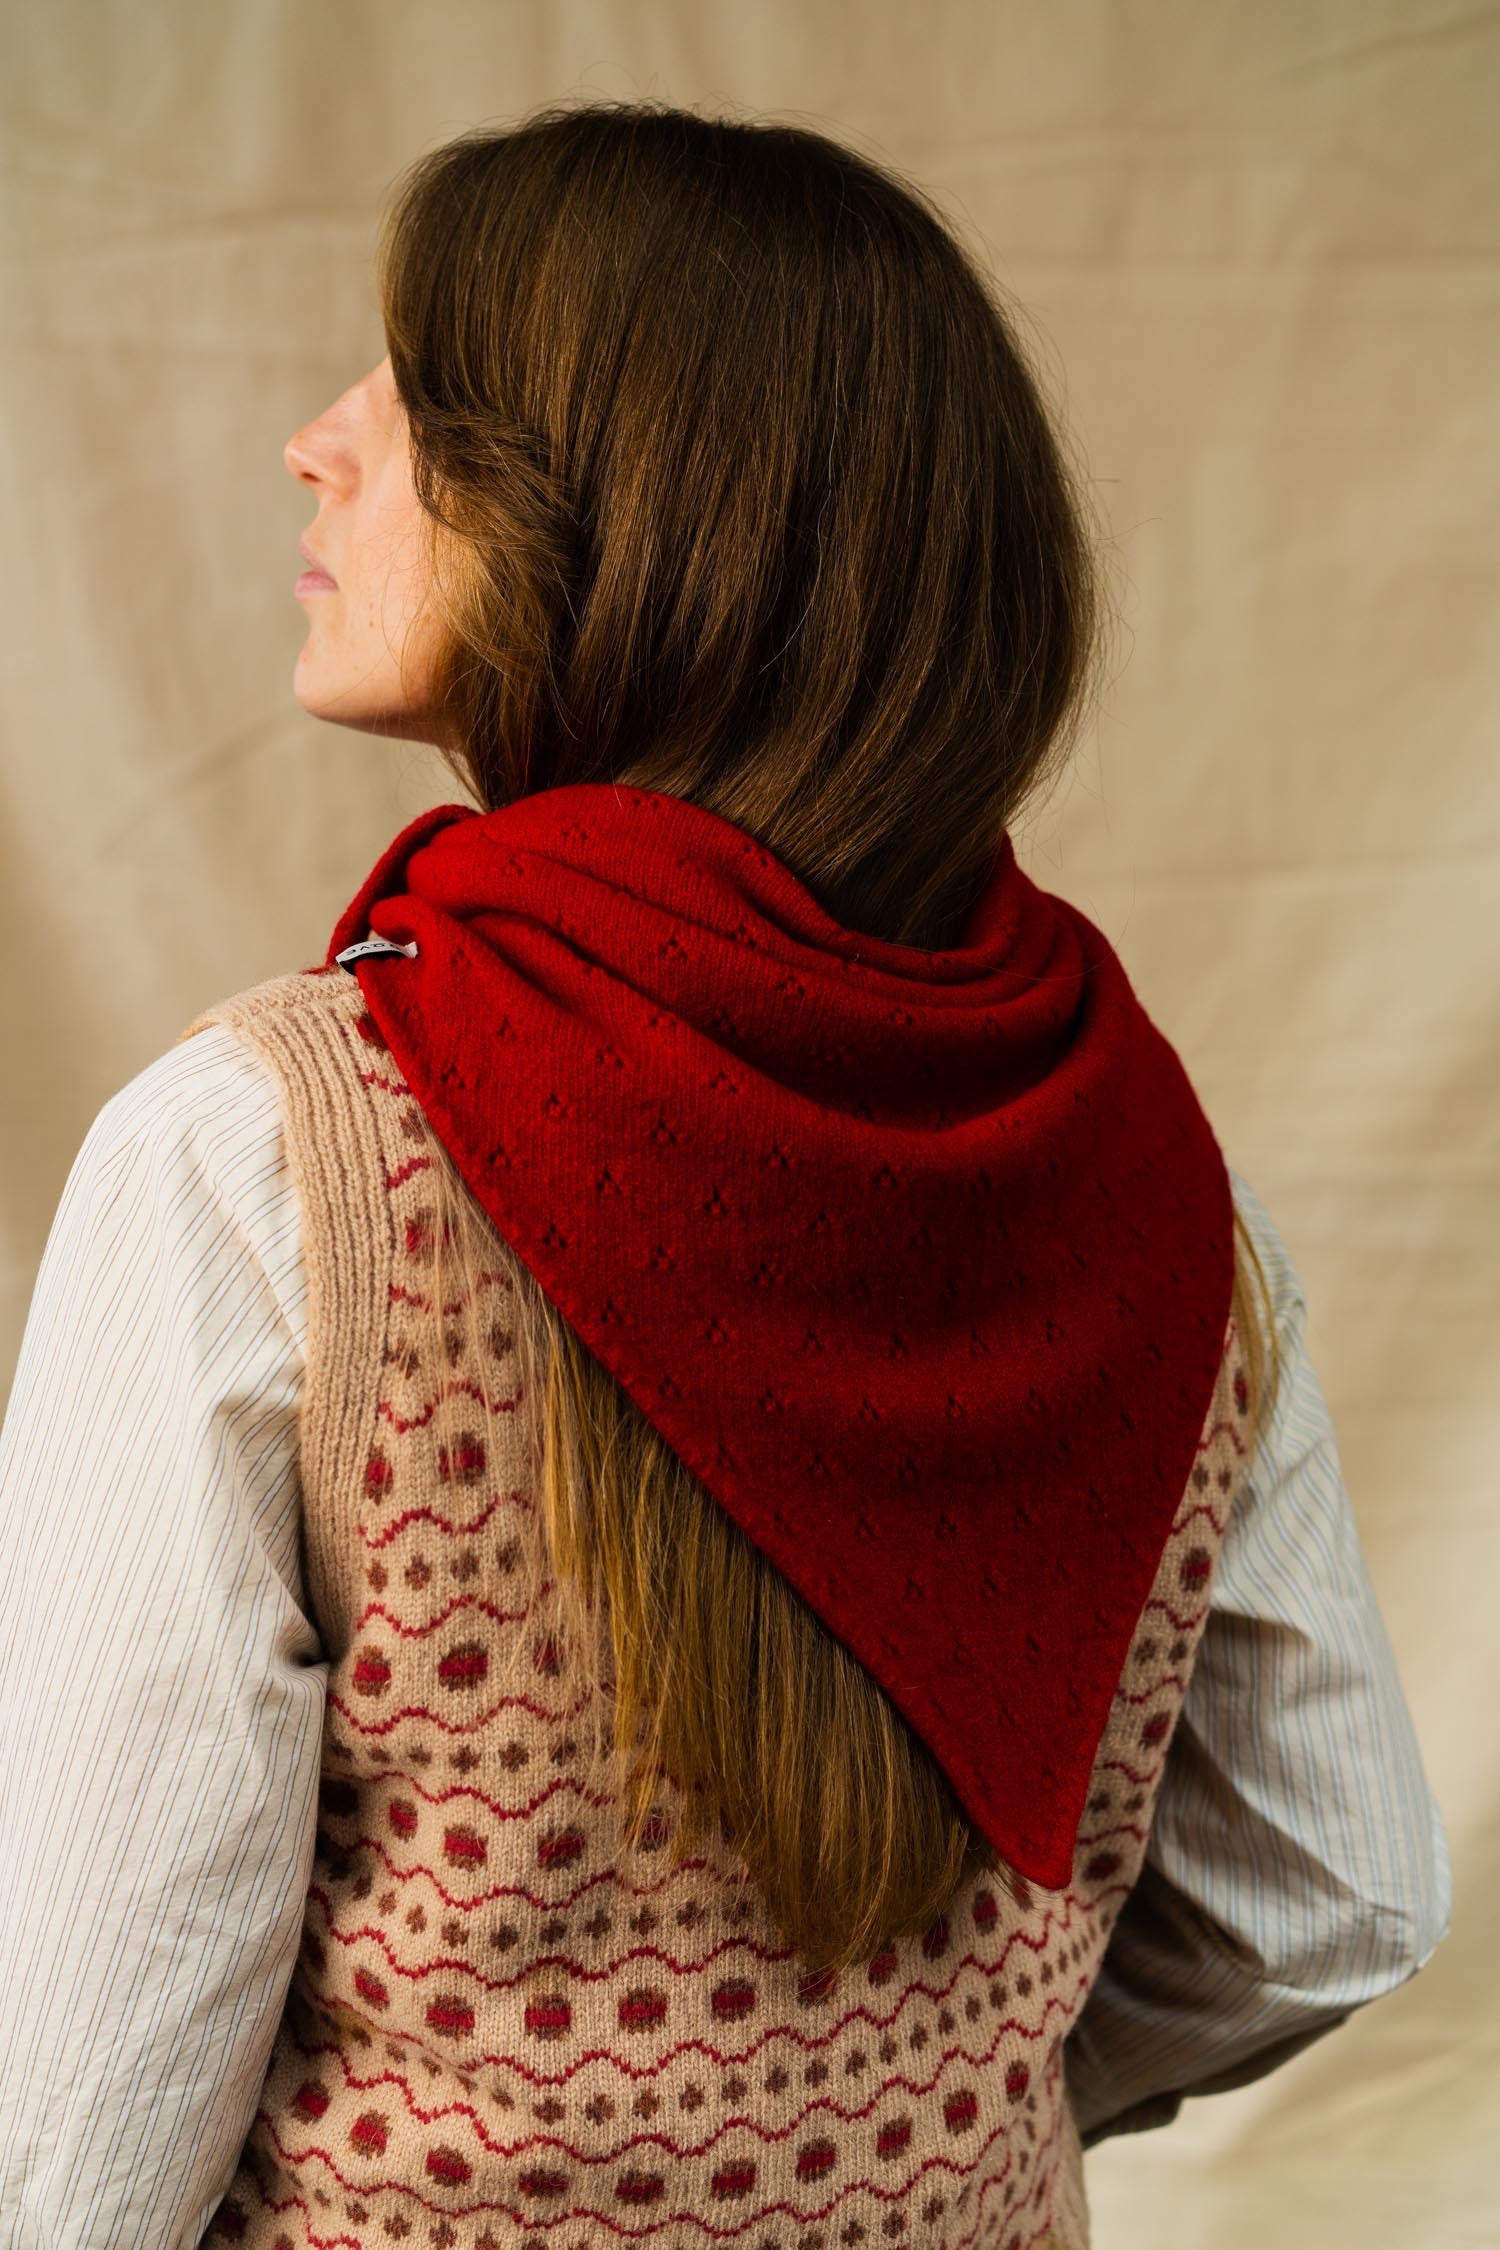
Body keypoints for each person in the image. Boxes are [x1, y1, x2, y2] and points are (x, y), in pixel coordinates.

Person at [0, 98, 1449, 2250]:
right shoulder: (1150, 1188)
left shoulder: (263, 1171)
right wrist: (915, 2122)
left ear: (638, 515)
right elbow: (1327, 1897)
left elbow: (75, 2132)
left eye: (416, 400)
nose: (318, 441)